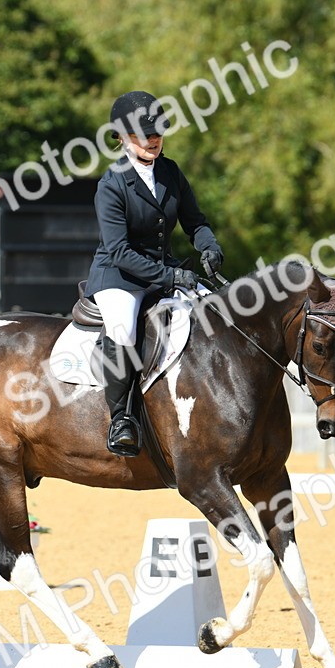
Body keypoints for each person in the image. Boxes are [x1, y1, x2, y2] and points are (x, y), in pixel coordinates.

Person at [84, 90, 225, 457]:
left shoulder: (170, 171)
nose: (153, 140)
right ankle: (121, 420)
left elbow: (196, 223)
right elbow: (119, 252)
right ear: (122, 138)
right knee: (123, 328)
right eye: (144, 134)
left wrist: (209, 246)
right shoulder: (111, 185)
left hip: (165, 273)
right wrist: (172, 277)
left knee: (212, 317)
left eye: (157, 132)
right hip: (119, 277)